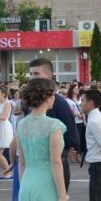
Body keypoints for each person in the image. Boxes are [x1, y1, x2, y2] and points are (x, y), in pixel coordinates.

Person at [27, 58, 79, 191]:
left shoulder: (58, 102)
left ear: (49, 76)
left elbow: (70, 132)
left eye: (36, 73)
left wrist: (69, 148)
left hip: (55, 161)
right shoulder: (31, 102)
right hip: (34, 164)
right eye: (31, 74)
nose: (32, 77)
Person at [0, 88, 14, 178]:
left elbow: (4, 117)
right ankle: (7, 171)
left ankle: (8, 173)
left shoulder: (7, 103)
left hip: (4, 127)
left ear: (3, 94)